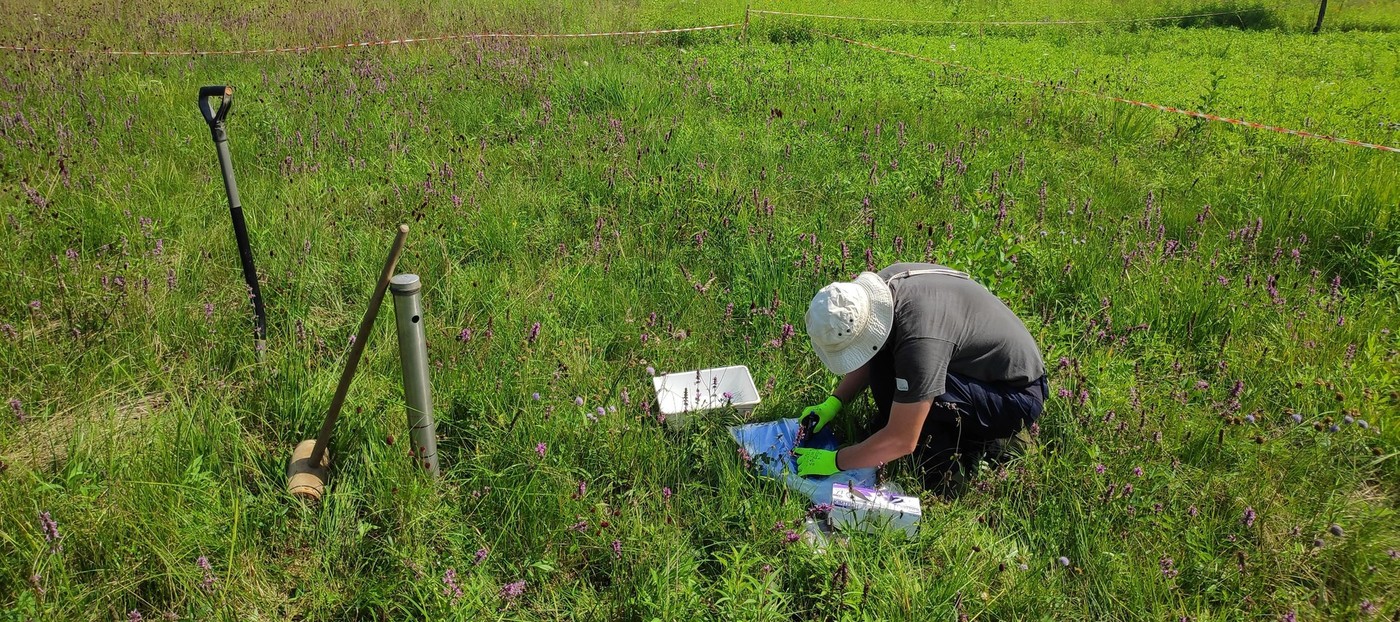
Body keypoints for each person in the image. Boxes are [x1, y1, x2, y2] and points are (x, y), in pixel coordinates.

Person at [792, 262, 1047, 491]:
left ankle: (962, 457)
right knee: (889, 367)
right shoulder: (880, 296)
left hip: (1014, 394)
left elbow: (902, 439)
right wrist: (834, 403)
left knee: (908, 399)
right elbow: (869, 352)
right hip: (976, 367)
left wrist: (836, 461)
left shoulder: (919, 341)